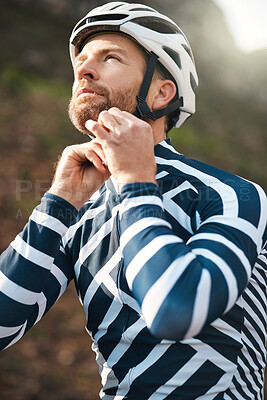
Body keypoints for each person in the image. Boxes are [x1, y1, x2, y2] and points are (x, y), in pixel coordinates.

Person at [0, 2, 266, 399]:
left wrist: (136, 182)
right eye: (82, 61)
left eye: (110, 58)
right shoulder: (80, 211)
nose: (84, 70)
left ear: (161, 93)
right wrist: (58, 202)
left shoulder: (231, 194)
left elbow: (175, 310)